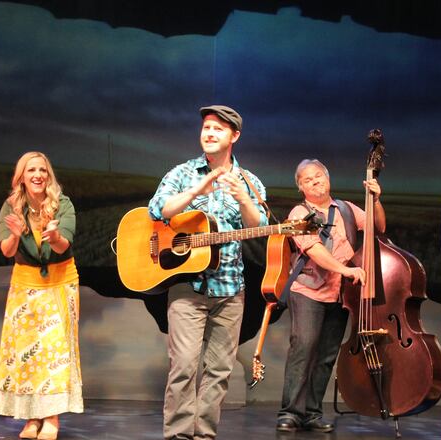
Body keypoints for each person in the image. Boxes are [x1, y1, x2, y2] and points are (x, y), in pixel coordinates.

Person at [148, 105, 268, 440]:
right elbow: (157, 210)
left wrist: (244, 199)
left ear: (235, 136)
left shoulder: (250, 182)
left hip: (231, 289)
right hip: (188, 286)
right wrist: (195, 192)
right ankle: (178, 436)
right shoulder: (183, 173)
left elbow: (258, 228)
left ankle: (204, 435)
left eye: (218, 128)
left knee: (218, 371)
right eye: (206, 128)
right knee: (184, 367)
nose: (210, 133)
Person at [276, 159, 386, 433]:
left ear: (328, 179)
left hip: (340, 294)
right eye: (307, 179)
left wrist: (376, 200)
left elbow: (377, 226)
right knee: (303, 349)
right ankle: (290, 413)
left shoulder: (346, 209)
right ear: (300, 187)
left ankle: (312, 413)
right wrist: (346, 270)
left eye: (318, 176)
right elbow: (314, 250)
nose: (314, 181)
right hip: (308, 291)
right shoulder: (298, 213)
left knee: (326, 356)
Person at [0, 151, 82, 440]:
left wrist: (54, 236)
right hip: (25, 285)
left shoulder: (62, 204)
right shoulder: (11, 207)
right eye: (31, 170)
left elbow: (62, 245)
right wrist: (17, 234)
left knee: (54, 353)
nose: (38, 175)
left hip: (60, 282)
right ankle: (32, 419)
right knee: (27, 355)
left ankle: (52, 419)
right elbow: (6, 251)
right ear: (21, 177)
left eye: (43, 170)